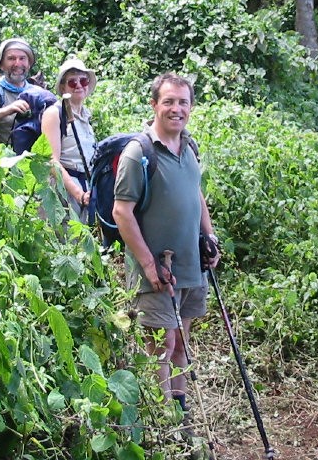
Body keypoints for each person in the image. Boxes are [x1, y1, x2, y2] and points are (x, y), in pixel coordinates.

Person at [112, 73, 220, 415]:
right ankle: (163, 421)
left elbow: (196, 193)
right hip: (157, 271)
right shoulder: (138, 153)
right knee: (162, 345)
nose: (177, 109)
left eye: (183, 102)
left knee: (181, 344)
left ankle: (181, 413)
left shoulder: (188, 146)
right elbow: (121, 212)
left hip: (189, 266)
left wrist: (210, 236)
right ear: (154, 105)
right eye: (169, 101)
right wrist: (148, 264)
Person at [40, 57, 98, 224]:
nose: (79, 85)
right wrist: (78, 194)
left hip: (86, 187)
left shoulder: (86, 115)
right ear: (63, 87)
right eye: (72, 82)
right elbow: (52, 161)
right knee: (66, 244)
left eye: (83, 80)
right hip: (64, 191)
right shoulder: (54, 114)